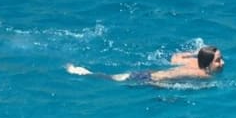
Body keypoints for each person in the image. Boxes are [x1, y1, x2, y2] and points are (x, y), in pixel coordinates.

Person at [66, 45, 225, 84]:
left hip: (149, 72)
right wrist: (159, 84)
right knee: (112, 79)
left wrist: (194, 53)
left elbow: (175, 57)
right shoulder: (201, 75)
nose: (222, 63)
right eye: (217, 60)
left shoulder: (193, 61)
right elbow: (166, 76)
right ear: (207, 63)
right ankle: (82, 72)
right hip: (147, 78)